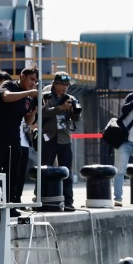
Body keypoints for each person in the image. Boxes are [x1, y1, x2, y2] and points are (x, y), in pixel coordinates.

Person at [0, 67, 38, 212]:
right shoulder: (9, 85)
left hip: (14, 135)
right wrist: (29, 93)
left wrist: (35, 110)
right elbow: (6, 96)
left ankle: (9, 203)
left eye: (35, 81)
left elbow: (28, 121)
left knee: (13, 170)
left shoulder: (28, 97)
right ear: (22, 76)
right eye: (31, 79)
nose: (33, 83)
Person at [40, 72, 82, 211]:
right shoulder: (46, 96)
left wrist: (74, 112)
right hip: (49, 136)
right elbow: (42, 113)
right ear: (55, 84)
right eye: (62, 85)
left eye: (67, 85)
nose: (64, 88)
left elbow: (77, 120)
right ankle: (40, 198)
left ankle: (68, 201)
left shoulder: (70, 99)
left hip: (64, 138)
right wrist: (60, 109)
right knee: (44, 169)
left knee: (67, 170)